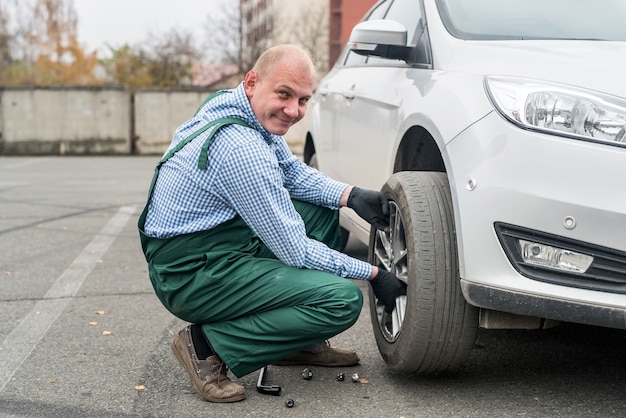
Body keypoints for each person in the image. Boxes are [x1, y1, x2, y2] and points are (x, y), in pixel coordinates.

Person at [137, 44, 406, 403]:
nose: (293, 110)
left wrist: (350, 194)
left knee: (323, 208)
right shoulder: (240, 149)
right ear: (252, 82)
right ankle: (205, 345)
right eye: (284, 94)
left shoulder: (236, 106)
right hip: (191, 274)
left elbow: (292, 172)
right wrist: (373, 275)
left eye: (303, 99)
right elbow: (294, 250)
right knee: (341, 300)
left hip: (214, 244)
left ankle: (294, 342)